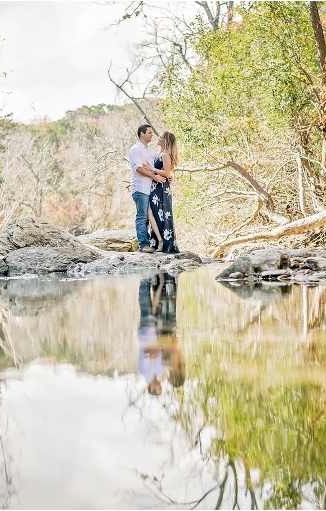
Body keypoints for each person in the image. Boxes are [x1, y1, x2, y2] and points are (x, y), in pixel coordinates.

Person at [136, 272, 186, 396]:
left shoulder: (147, 371)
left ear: (152, 388)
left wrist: (155, 349)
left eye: (159, 388)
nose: (162, 385)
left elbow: (147, 352)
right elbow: (160, 351)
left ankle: (147, 276)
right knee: (158, 303)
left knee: (146, 304)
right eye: (161, 388)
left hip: (148, 332)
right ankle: (156, 277)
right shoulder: (162, 369)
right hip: (157, 332)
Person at [129, 124, 166, 253]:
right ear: (142, 134)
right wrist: (153, 176)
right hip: (140, 188)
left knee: (152, 217)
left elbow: (157, 166)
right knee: (142, 217)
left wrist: (167, 176)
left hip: (151, 189)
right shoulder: (135, 150)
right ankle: (143, 245)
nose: (152, 135)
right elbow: (139, 169)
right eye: (149, 132)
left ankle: (155, 242)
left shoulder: (150, 151)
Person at [147, 131, 180, 253]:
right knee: (156, 214)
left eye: (160, 137)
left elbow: (166, 172)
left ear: (165, 140)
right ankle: (156, 242)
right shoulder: (159, 153)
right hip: (156, 186)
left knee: (161, 214)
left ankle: (166, 244)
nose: (158, 138)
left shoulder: (165, 155)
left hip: (161, 188)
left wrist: (152, 169)